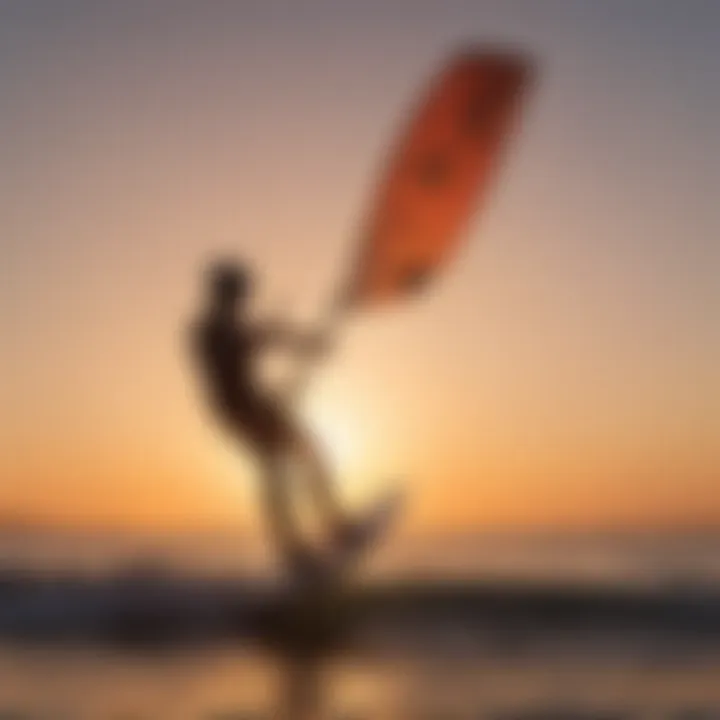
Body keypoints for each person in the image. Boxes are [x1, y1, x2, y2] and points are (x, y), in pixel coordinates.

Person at [190, 259, 354, 576]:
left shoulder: (232, 328)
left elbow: (266, 337)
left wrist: (309, 345)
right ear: (224, 294)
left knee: (303, 459)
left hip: (254, 404)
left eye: (243, 294)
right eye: (238, 294)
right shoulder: (208, 329)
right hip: (239, 409)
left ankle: (325, 534)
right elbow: (237, 349)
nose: (243, 301)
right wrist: (290, 342)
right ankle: (305, 549)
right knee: (283, 469)